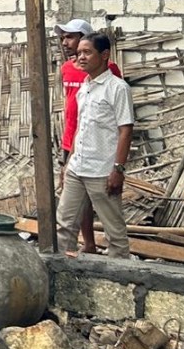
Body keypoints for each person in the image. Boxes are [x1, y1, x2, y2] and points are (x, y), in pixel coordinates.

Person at [56, 33, 135, 258]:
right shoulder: (85, 87)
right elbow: (80, 128)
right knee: (65, 224)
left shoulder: (117, 88)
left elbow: (125, 130)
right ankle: (65, 271)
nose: (80, 57)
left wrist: (118, 169)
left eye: (87, 52)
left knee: (114, 232)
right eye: (79, 52)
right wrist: (68, 163)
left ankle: (119, 281)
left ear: (104, 55)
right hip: (77, 167)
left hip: (102, 171)